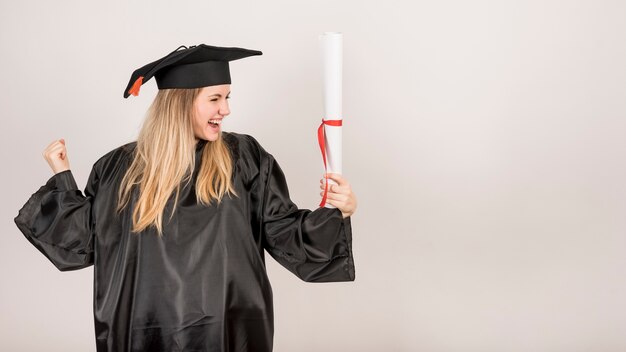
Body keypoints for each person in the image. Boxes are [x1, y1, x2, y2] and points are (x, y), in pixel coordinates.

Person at [14, 44, 357, 352]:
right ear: (180, 103)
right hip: (145, 329)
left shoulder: (246, 159)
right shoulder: (119, 169)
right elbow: (85, 242)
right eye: (215, 99)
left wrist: (336, 213)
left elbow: (284, 232)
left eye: (227, 97)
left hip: (227, 328)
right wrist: (62, 175)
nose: (226, 110)